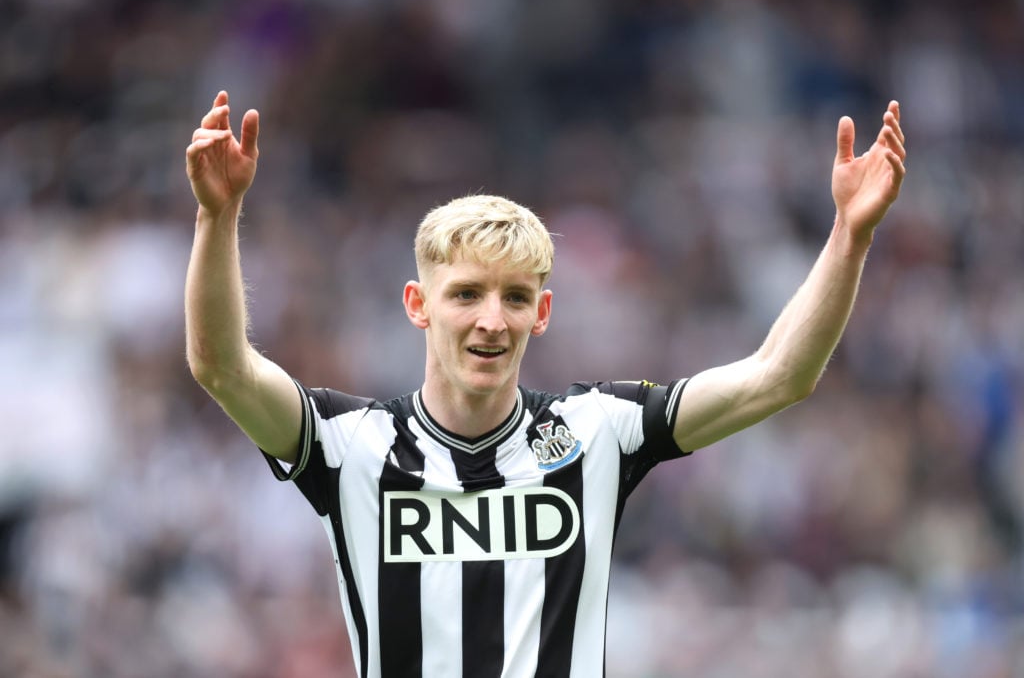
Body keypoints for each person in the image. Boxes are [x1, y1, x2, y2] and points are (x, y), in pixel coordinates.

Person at [184, 90, 906, 677]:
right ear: (418, 304)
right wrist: (218, 217)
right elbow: (222, 366)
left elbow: (780, 375)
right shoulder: (351, 445)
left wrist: (850, 233)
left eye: (516, 298)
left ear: (544, 312)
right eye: (466, 294)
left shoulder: (597, 427)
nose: (491, 321)